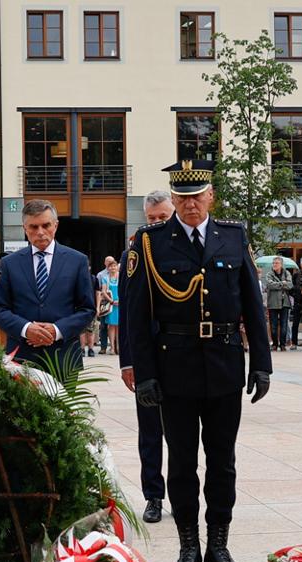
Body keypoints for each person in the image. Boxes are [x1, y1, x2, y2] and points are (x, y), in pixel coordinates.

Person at [120, 158, 272, 562]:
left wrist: (261, 363)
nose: (190, 205)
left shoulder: (232, 237)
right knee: (182, 463)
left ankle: (219, 548)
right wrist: (144, 373)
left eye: (196, 196)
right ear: (173, 199)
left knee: (223, 462)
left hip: (225, 365)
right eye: (182, 198)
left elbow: (252, 307)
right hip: (176, 367)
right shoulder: (150, 243)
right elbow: (137, 312)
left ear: (211, 196)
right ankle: (188, 549)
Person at [120, 189, 175, 524]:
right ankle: (153, 496)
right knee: (151, 431)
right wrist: (128, 361)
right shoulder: (136, 250)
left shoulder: (186, 247)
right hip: (148, 356)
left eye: (162, 218)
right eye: (151, 218)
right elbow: (128, 309)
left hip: (182, 355)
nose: (156, 223)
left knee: (182, 432)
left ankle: (182, 495)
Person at [0, 199, 95, 372]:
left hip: (64, 359)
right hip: (20, 359)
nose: (40, 232)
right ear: (25, 228)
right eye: (33, 227)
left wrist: (56, 330)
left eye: (46, 225)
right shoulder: (9, 264)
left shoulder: (77, 261)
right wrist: (26, 329)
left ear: (56, 225)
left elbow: (87, 310)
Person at [262, 256, 292, 351]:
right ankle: (275, 344)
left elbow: (290, 285)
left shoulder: (287, 273)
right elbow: (270, 285)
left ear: (281, 265)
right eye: (274, 263)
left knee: (284, 325)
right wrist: (282, 284)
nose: (274, 264)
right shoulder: (269, 274)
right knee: (273, 325)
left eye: (277, 263)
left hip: (285, 303)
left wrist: (280, 284)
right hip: (273, 303)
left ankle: (282, 344)